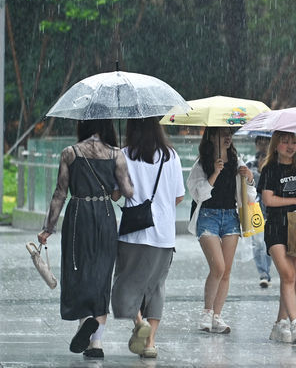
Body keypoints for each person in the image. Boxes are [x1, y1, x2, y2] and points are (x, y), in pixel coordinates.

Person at [37, 119, 134, 358]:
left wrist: (48, 227)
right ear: (108, 127)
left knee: (79, 271)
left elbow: (60, 192)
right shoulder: (116, 154)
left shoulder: (70, 153)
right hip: (104, 216)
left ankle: (85, 322)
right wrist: (115, 186)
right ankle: (96, 344)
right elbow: (127, 192)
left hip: (78, 215)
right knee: (101, 276)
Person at [111, 117, 185, 358]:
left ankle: (139, 322)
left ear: (131, 129)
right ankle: (150, 342)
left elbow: (115, 195)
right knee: (155, 288)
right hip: (163, 234)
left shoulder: (123, 154)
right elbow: (178, 197)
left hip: (134, 233)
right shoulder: (170, 156)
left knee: (126, 283)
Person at [187, 127, 256, 334]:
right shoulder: (202, 163)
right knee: (217, 266)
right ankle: (207, 312)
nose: (228, 137)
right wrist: (215, 173)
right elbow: (198, 194)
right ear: (211, 136)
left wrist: (250, 178)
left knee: (226, 270)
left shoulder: (236, 160)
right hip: (208, 217)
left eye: (229, 134)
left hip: (230, 218)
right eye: (222, 133)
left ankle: (217, 316)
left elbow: (250, 195)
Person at [257, 131, 296, 344]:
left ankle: (279, 323)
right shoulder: (269, 169)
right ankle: (295, 323)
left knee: (293, 277)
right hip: (276, 228)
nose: (290, 146)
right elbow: (268, 200)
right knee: (287, 274)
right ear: (276, 145)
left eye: (293, 142)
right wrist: (295, 201)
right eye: (285, 142)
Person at [246, 136, 272, 288]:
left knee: (267, 243)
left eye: (266, 143)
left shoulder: (275, 164)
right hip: (254, 208)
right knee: (257, 243)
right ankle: (262, 272)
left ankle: (266, 271)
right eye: (260, 143)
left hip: (270, 209)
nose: (263, 146)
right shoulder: (250, 163)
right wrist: (258, 172)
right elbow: (249, 184)